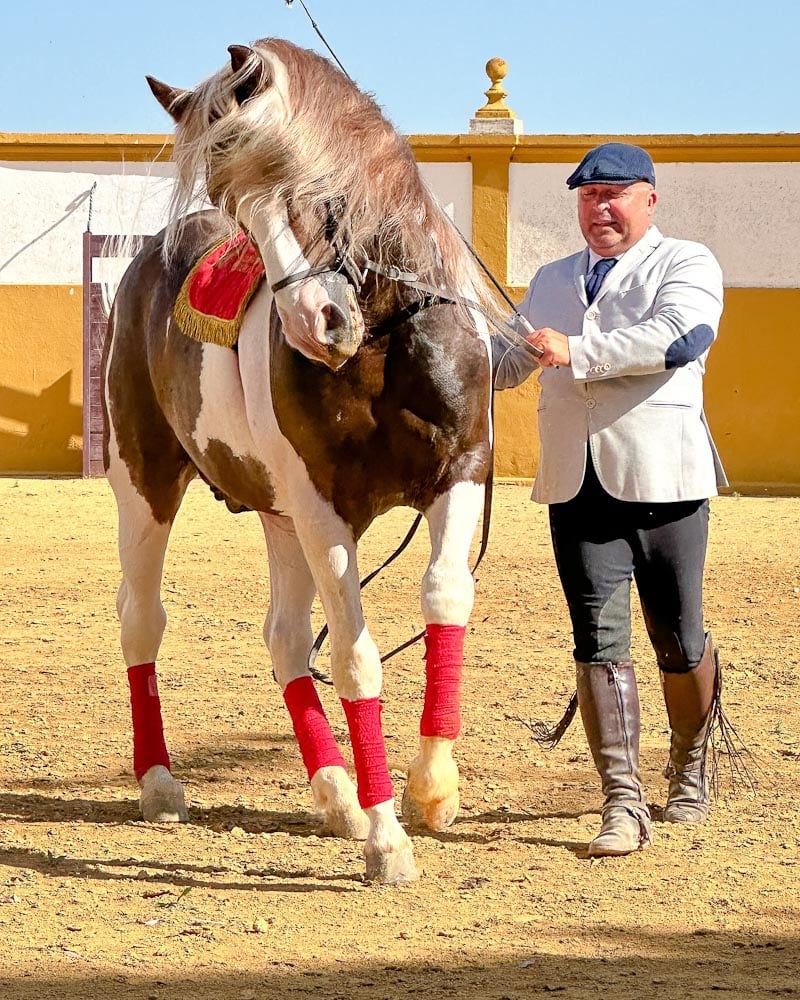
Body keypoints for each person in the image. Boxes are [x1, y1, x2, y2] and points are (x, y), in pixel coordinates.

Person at [493, 142, 729, 857]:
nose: (601, 208)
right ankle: (622, 804)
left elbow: (683, 337)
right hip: (577, 482)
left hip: (667, 481)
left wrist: (578, 350)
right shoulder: (551, 278)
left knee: (679, 641)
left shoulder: (687, 263)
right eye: (589, 197)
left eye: (616, 194)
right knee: (598, 641)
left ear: (649, 200)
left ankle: (689, 766)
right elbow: (505, 360)